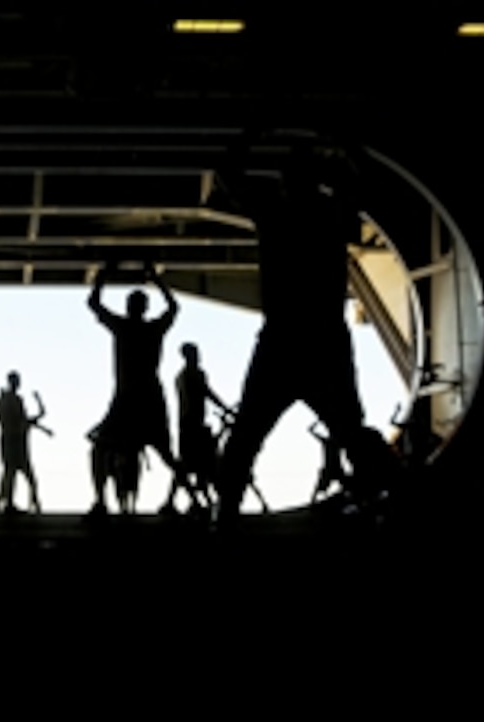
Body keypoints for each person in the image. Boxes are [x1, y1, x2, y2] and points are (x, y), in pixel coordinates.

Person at [212, 135, 401, 528]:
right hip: (325, 339)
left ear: (284, 180)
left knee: (247, 432)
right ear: (317, 179)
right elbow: (371, 188)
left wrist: (249, 136)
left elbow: (228, 177)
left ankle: (226, 509)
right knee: (351, 430)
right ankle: (385, 497)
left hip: (282, 339)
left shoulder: (273, 210)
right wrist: (350, 149)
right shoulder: (332, 211)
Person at [85, 261, 200, 518]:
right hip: (150, 399)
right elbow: (174, 308)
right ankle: (194, 500)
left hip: (126, 399)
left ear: (129, 308)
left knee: (101, 448)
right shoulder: (153, 330)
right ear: (145, 308)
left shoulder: (123, 327)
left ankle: (100, 502)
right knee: (166, 454)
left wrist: (103, 278)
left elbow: (93, 304)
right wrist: (157, 281)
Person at [173, 342, 231, 512]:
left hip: (189, 424)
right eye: (195, 353)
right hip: (193, 424)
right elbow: (206, 393)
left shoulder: (184, 376)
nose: (198, 357)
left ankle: (182, 500)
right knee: (199, 461)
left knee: (190, 462)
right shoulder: (193, 375)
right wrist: (225, 409)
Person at [0, 372, 50, 514]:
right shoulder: (7, 399)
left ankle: (13, 502)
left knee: (15, 475)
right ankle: (8, 503)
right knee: (12, 474)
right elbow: (10, 419)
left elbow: (23, 419)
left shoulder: (12, 399)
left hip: (17, 441)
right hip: (12, 441)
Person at [309, 420, 345, 505]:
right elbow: (311, 430)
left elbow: (311, 430)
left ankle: (313, 502)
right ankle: (313, 502)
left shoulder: (328, 441)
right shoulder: (332, 442)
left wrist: (318, 422)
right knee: (320, 487)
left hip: (332, 468)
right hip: (334, 468)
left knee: (320, 487)